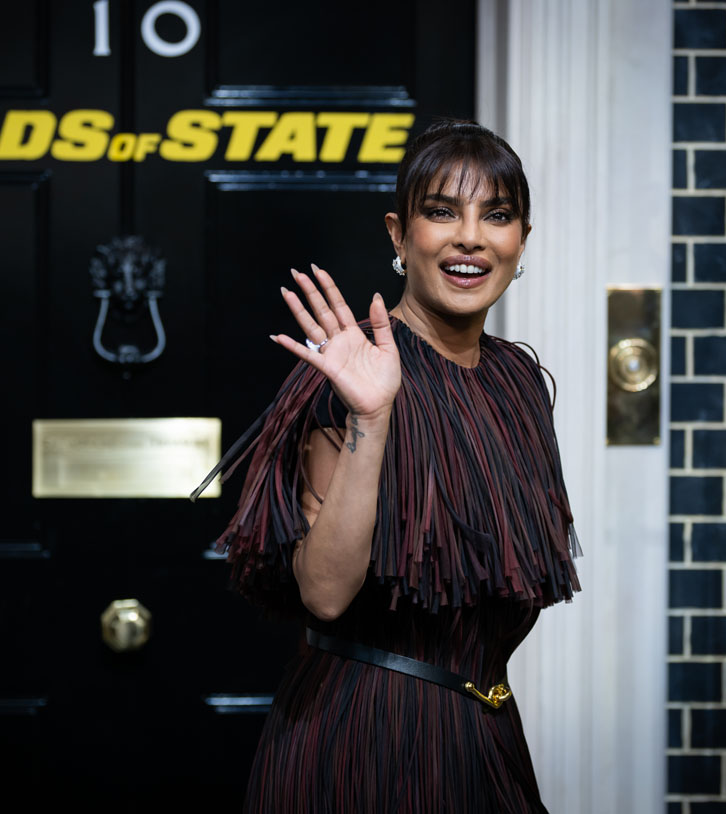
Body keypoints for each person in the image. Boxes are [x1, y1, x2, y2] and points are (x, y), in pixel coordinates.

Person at [193, 119, 582, 813]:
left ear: (522, 239)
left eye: (497, 216)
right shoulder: (350, 375)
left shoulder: (518, 381)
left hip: (484, 735)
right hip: (362, 737)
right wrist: (371, 419)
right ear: (400, 236)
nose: (471, 237)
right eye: (442, 212)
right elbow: (324, 594)